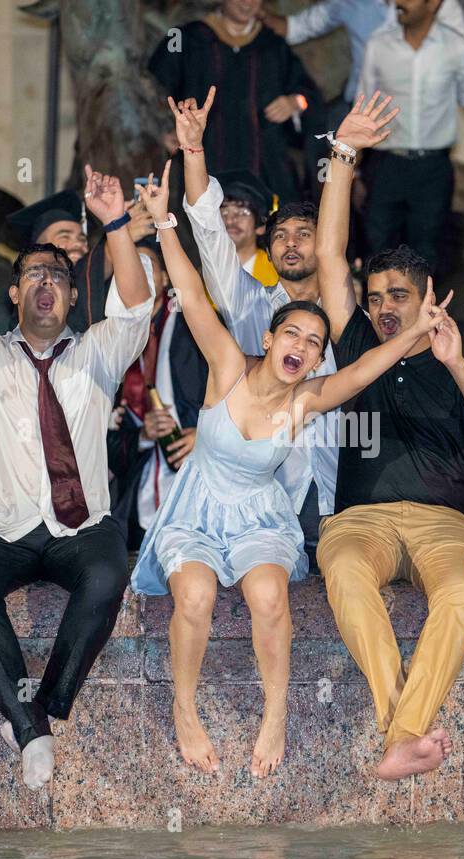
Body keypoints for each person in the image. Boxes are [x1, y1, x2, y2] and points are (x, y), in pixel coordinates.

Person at [130, 160, 447, 777]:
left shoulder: (308, 398)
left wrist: (419, 332)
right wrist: (166, 220)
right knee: (193, 596)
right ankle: (184, 706)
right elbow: (193, 294)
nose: (300, 346)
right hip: (197, 509)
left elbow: (365, 369)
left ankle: (276, 713)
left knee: (271, 596)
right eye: (291, 335)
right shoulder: (228, 365)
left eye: (313, 342)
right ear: (270, 339)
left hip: (260, 513)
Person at [0, 170, 155, 790]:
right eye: (34, 277)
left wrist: (117, 224)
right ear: (15, 294)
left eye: (59, 277)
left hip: (82, 527)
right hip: (2, 530)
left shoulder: (99, 350)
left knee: (107, 574)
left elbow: (137, 303)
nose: (47, 284)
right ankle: (31, 730)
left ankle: (38, 708)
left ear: (73, 299)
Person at [315, 92, 464, 780]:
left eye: (398, 295)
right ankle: (404, 734)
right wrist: (343, 153)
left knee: (463, 591)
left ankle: (400, 736)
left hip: (446, 526)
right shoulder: (360, 341)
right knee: (340, 572)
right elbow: (331, 255)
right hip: (359, 521)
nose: (383, 307)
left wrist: (456, 361)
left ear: (428, 295)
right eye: (375, 298)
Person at [174, 88, 337, 566]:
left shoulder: (349, 319)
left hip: (332, 497)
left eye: (304, 235)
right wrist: (194, 150)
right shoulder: (246, 302)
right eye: (280, 235)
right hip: (250, 499)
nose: (290, 245)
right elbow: (207, 229)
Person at [356, 0, 464, 270]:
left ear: (433, 4)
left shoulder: (455, 46)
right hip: (386, 166)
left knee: (427, 253)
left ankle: (422, 312)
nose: (398, 3)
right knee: (378, 250)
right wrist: (353, 169)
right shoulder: (379, 45)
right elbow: (363, 107)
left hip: (433, 170)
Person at [148, 0, 321, 203]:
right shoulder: (187, 38)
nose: (247, 3)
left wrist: (294, 102)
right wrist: (162, 130)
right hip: (204, 155)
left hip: (264, 163)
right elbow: (152, 90)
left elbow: (308, 94)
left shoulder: (272, 44)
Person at [260, 0, 464, 112]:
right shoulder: (349, 3)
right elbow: (295, 28)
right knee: (326, 159)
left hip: (413, 120)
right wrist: (252, 9)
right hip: (359, 107)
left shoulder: (439, 4)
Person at [115, 238, 209, 547]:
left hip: (201, 472)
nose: (138, 273)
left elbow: (234, 382)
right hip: (139, 487)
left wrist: (208, 432)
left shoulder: (196, 324)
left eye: (147, 265)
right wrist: (143, 433)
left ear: (166, 277)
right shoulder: (112, 341)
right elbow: (104, 440)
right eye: (130, 266)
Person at [7, 189, 155, 333]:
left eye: (82, 238)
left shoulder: (102, 283)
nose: (78, 244)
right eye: (64, 237)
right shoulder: (29, 297)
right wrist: (119, 232)